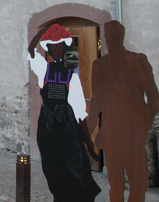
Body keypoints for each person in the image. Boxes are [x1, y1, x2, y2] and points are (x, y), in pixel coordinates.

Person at [88, 20, 159, 202]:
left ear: (120, 37)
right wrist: (88, 130)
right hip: (115, 134)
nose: (111, 39)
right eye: (109, 36)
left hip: (133, 132)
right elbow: (97, 102)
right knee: (117, 184)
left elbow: (154, 100)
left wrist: (145, 126)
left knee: (136, 184)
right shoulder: (100, 65)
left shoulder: (137, 61)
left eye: (114, 36)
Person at [28, 24, 101, 202]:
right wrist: (41, 31)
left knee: (75, 165)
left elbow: (78, 110)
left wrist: (88, 139)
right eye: (54, 47)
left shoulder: (72, 77)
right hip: (48, 125)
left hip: (67, 126)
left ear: (65, 48)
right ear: (50, 49)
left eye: (60, 46)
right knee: (52, 167)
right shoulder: (43, 69)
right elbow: (30, 50)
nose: (57, 50)